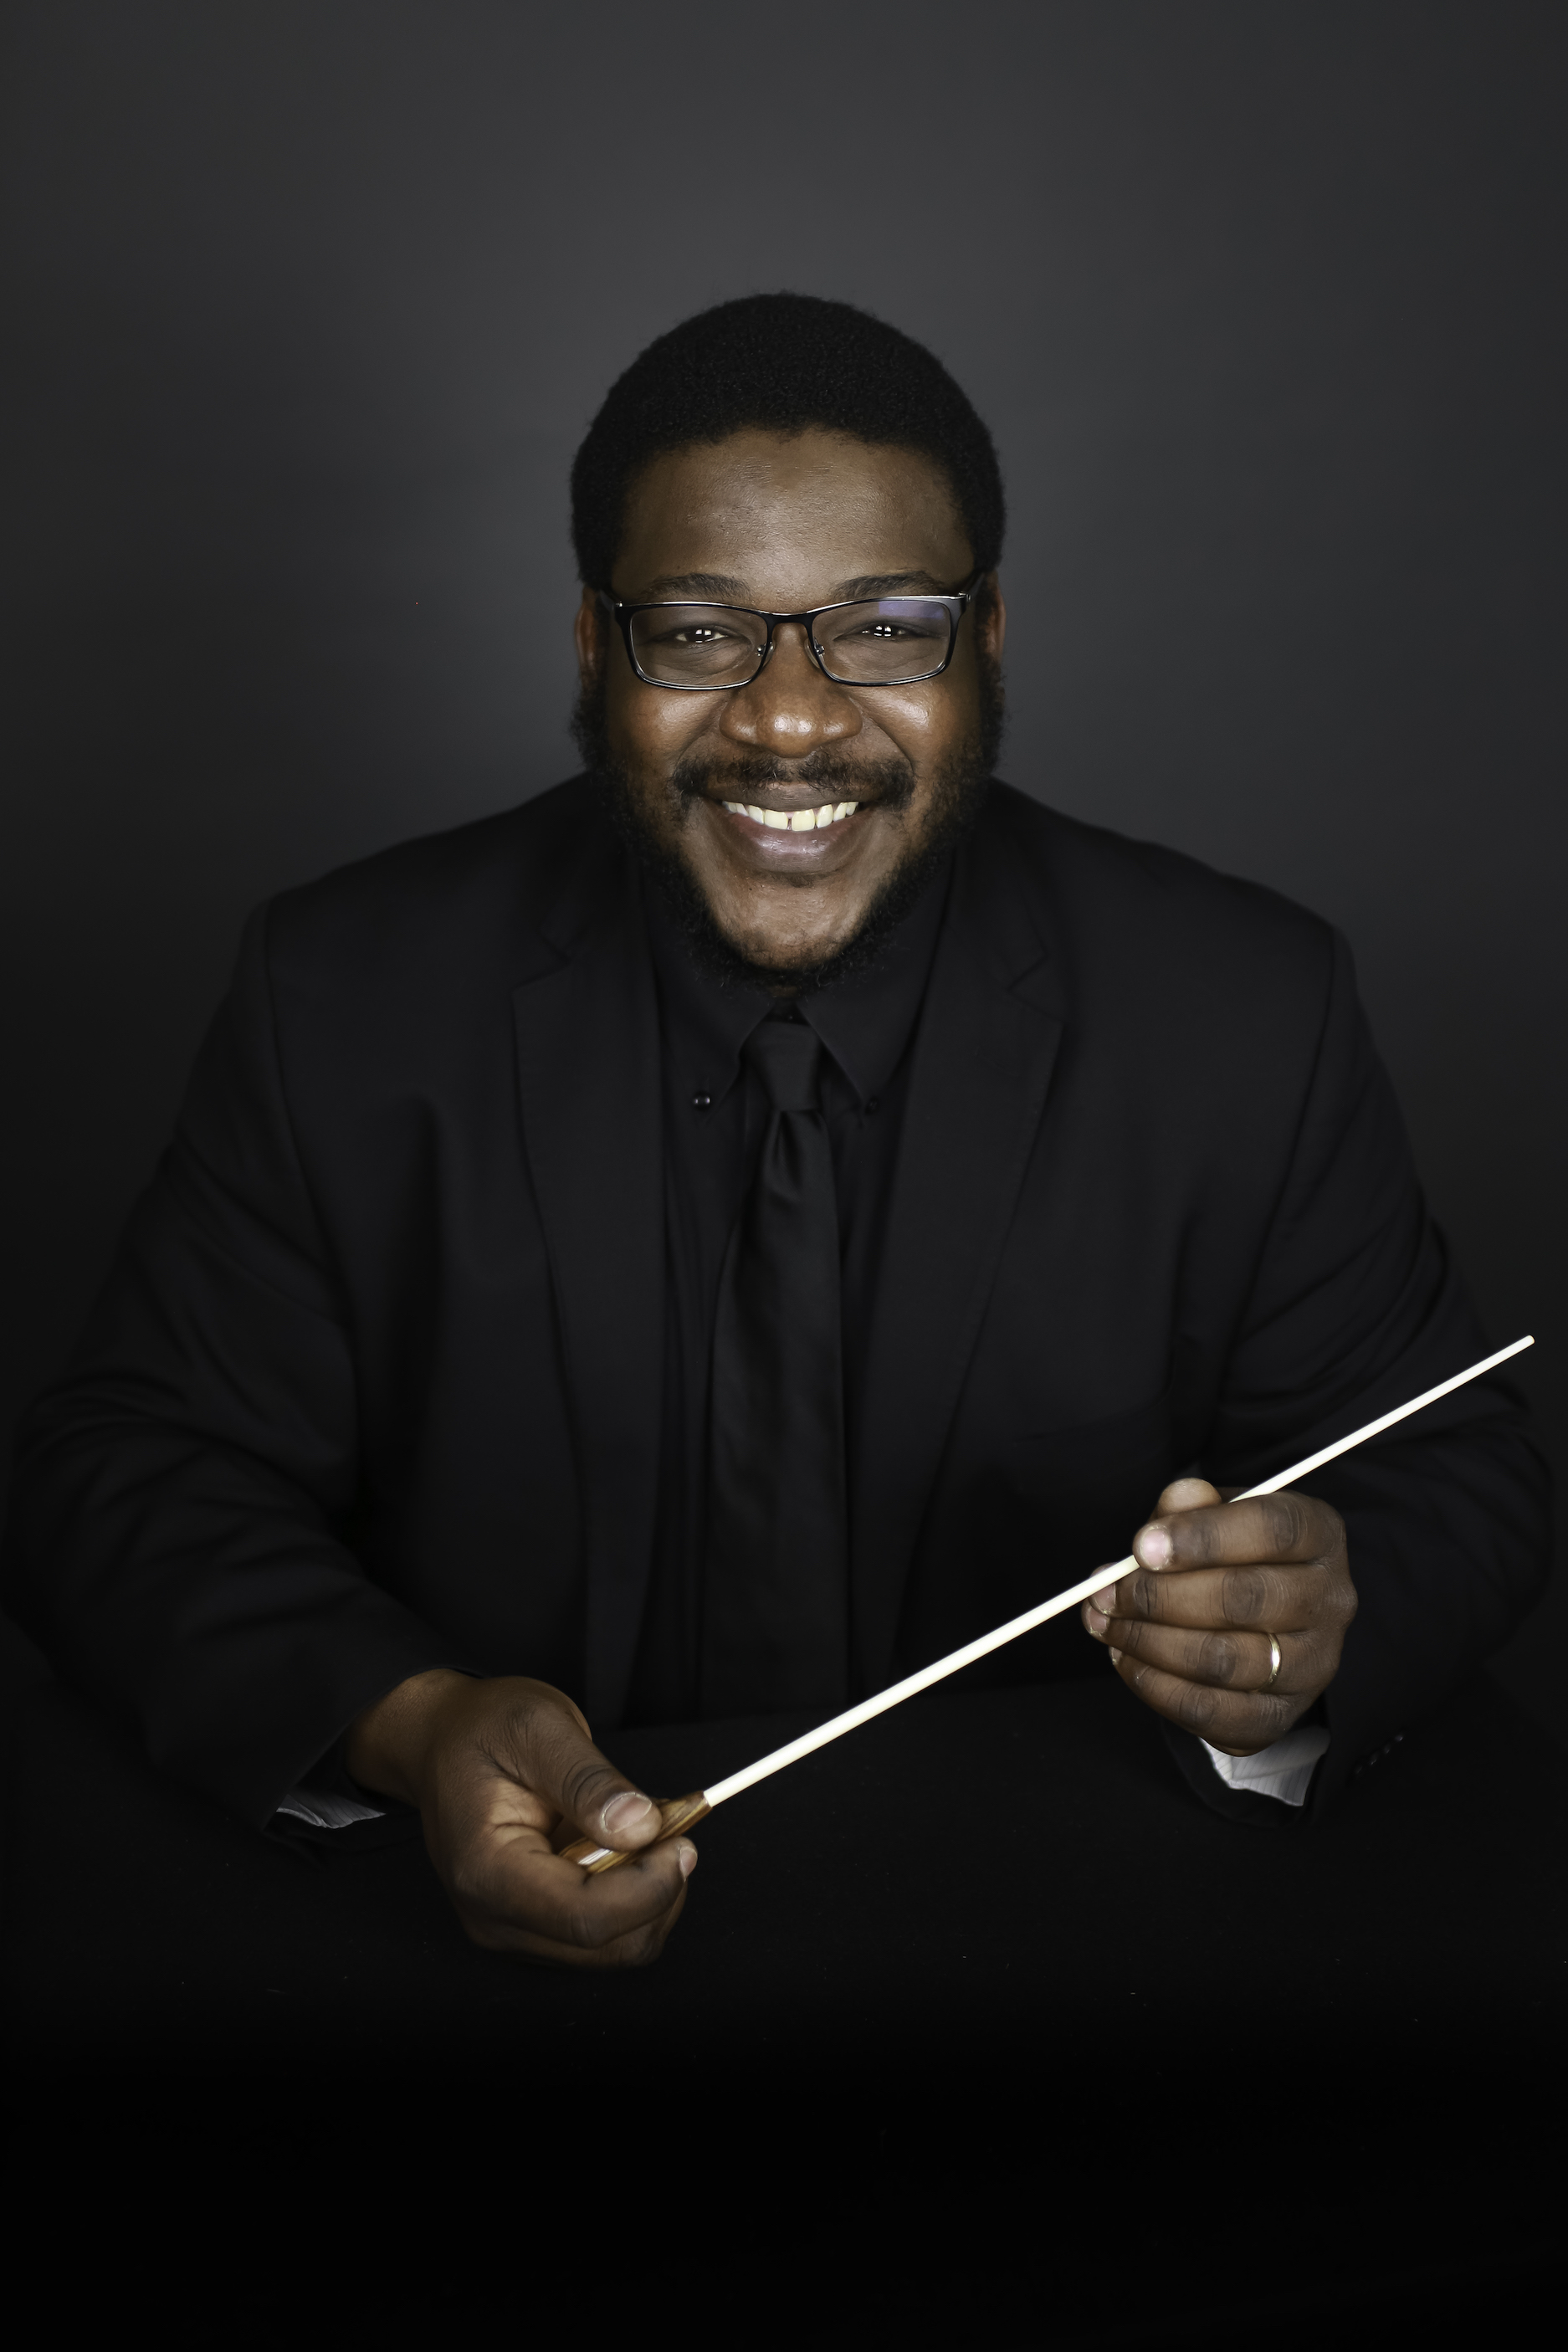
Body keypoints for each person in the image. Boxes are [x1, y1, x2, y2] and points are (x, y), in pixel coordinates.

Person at [4, 295, 1547, 1968]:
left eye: (886, 626)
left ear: (988, 640)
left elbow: (1449, 1475)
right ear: (598, 652)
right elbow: (126, 1472)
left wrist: (1314, 1607)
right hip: (469, 2014)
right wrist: (417, 1717)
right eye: (697, 629)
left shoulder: (1244, 1006)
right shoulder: (345, 991)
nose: (792, 719)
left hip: (1075, 1985)